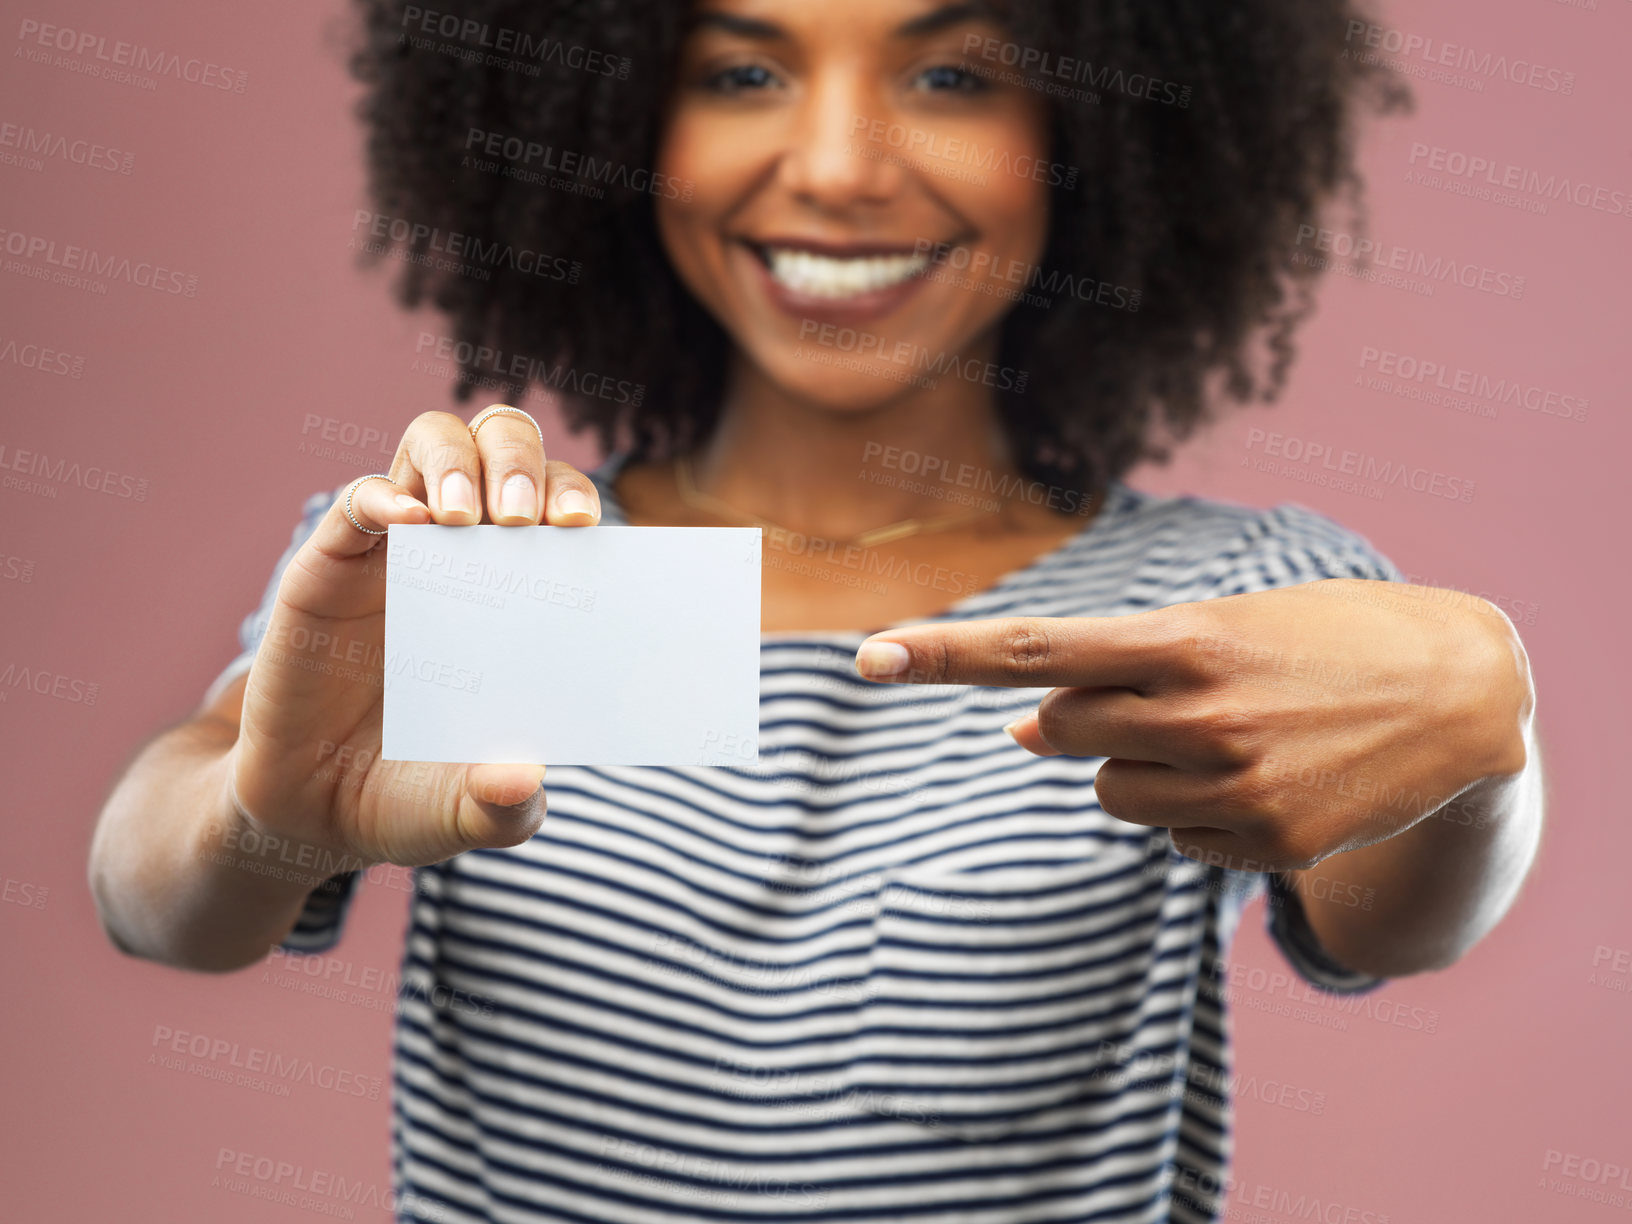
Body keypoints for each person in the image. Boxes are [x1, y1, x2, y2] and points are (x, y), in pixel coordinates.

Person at [89, 0, 1544, 1220]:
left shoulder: (1225, 599)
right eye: (740, 72)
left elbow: (1400, 920)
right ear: (618, 120)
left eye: (951, 74)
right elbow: (157, 893)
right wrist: (259, 819)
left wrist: (1484, 744)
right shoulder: (482, 570)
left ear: (1092, 136)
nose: (840, 167)